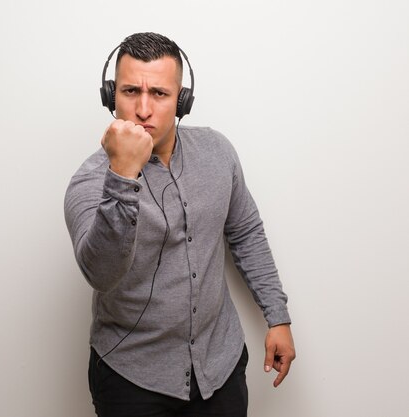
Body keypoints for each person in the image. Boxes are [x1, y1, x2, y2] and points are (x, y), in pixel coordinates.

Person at [63, 32, 295, 417]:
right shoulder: (89, 181)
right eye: (130, 91)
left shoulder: (218, 152)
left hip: (219, 365)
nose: (142, 108)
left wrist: (278, 316)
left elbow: (246, 232)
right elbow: (101, 273)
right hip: (132, 380)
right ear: (110, 97)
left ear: (182, 101)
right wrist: (122, 174)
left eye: (159, 93)